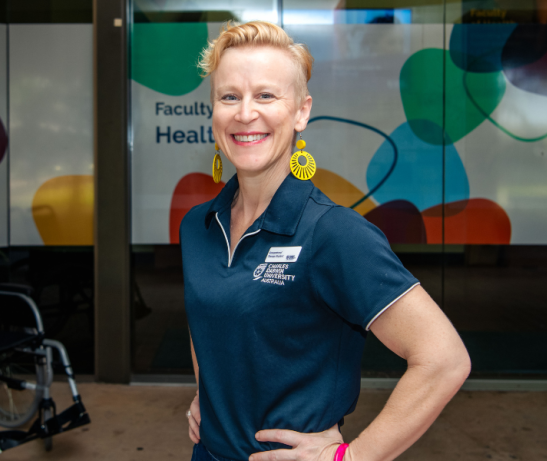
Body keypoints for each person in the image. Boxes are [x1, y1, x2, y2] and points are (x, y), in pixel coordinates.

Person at [179, 21, 471, 461]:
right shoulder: (197, 226)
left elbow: (444, 359)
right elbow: (206, 315)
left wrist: (351, 457)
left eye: (266, 95)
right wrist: (208, 394)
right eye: (229, 97)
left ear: (301, 112)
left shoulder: (333, 233)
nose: (245, 113)